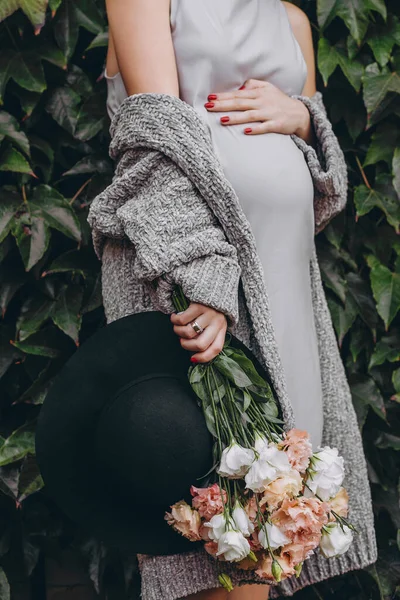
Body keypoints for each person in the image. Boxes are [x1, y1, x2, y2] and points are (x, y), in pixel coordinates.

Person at [88, 0, 377, 598]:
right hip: (187, 282)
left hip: (283, 296)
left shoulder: (293, 21)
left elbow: (321, 191)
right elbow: (155, 144)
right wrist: (205, 278)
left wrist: (303, 118)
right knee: (212, 536)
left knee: (266, 539)